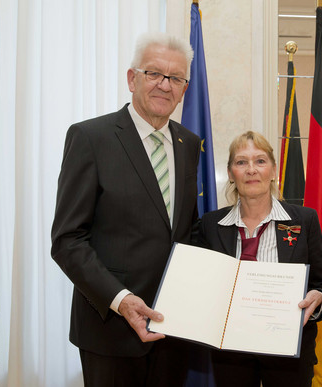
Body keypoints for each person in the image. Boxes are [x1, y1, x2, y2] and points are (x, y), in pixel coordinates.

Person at [51, 32, 200, 386]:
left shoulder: (189, 145)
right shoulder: (91, 138)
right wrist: (121, 300)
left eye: (175, 78)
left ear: (184, 89)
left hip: (172, 331)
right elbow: (68, 240)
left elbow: (184, 231)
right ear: (132, 78)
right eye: (154, 74)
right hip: (110, 331)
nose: (165, 85)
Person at [199, 131, 322, 387]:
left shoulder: (305, 221)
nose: (251, 170)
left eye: (260, 161)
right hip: (230, 355)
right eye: (241, 162)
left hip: (289, 355)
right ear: (230, 173)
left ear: (273, 170)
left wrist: (318, 299)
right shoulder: (210, 224)